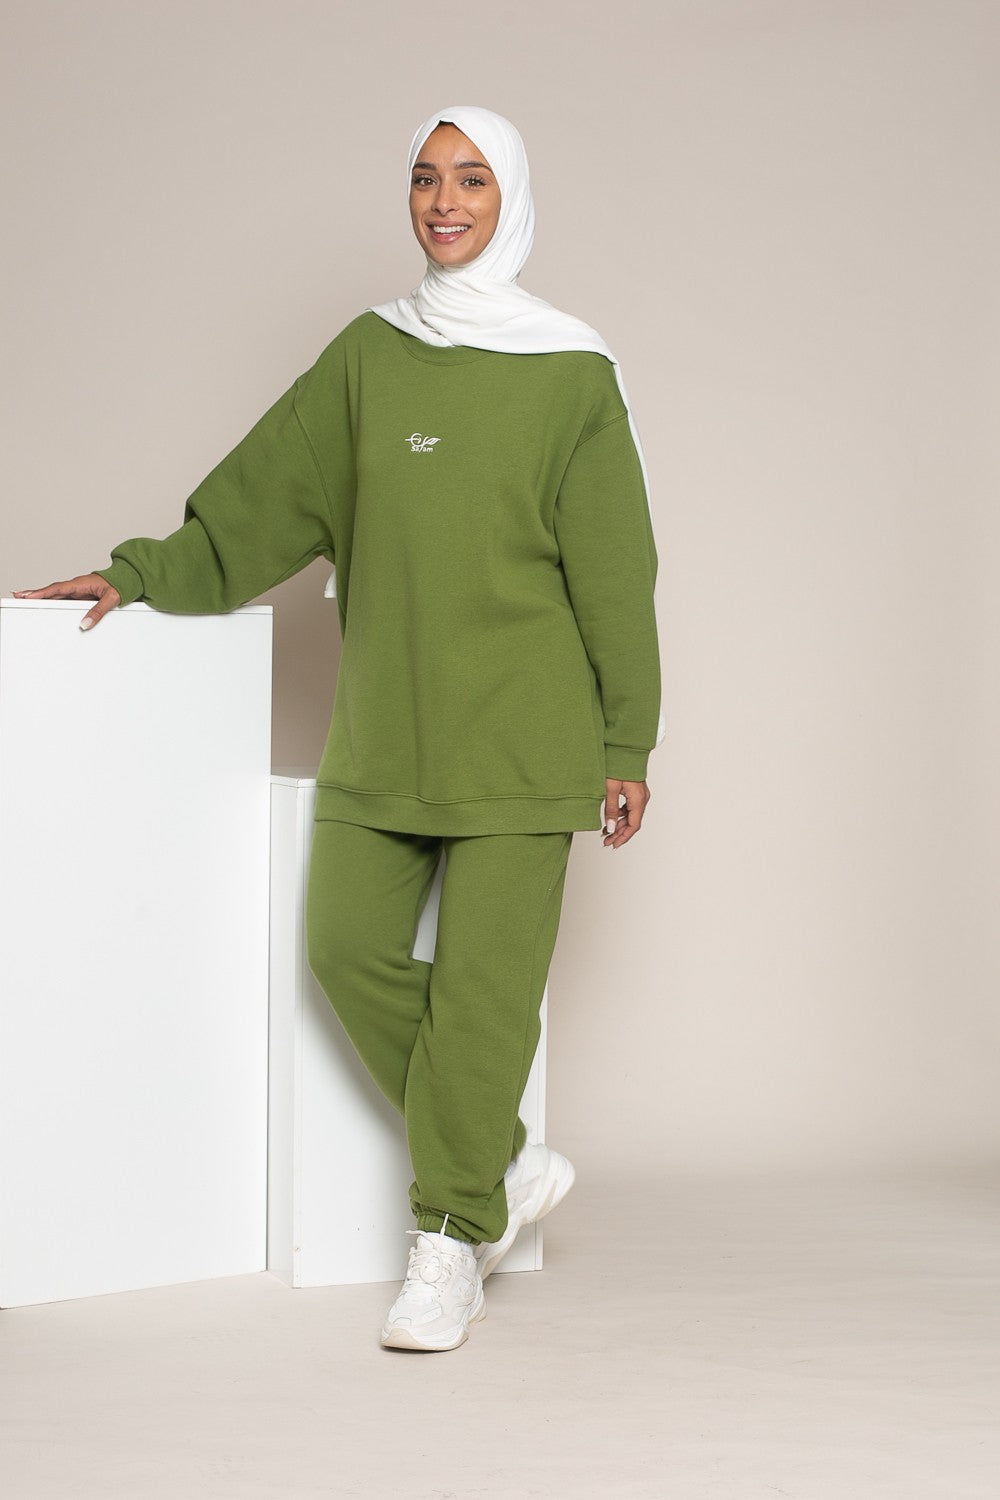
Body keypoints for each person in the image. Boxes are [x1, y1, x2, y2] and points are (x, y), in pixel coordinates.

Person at [14, 105, 661, 1353]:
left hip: (528, 742)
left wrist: (626, 741)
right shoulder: (368, 357)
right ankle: (500, 1164)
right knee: (342, 947)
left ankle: (447, 1241)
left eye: (471, 180)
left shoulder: (572, 371)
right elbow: (258, 504)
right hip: (388, 728)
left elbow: (616, 573)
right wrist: (140, 572)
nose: (444, 202)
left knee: (483, 1001)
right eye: (424, 178)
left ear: (511, 198)